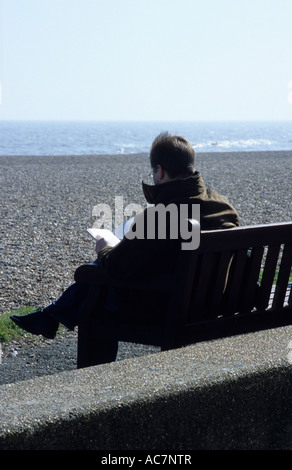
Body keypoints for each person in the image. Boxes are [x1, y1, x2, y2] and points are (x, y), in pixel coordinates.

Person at [11, 132, 239, 362]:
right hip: (212, 303)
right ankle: (51, 316)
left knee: (96, 289)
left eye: (153, 173)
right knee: (101, 280)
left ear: (159, 170)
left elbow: (118, 268)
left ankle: (91, 380)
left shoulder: (161, 217)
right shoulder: (222, 206)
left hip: (167, 308)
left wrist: (105, 247)